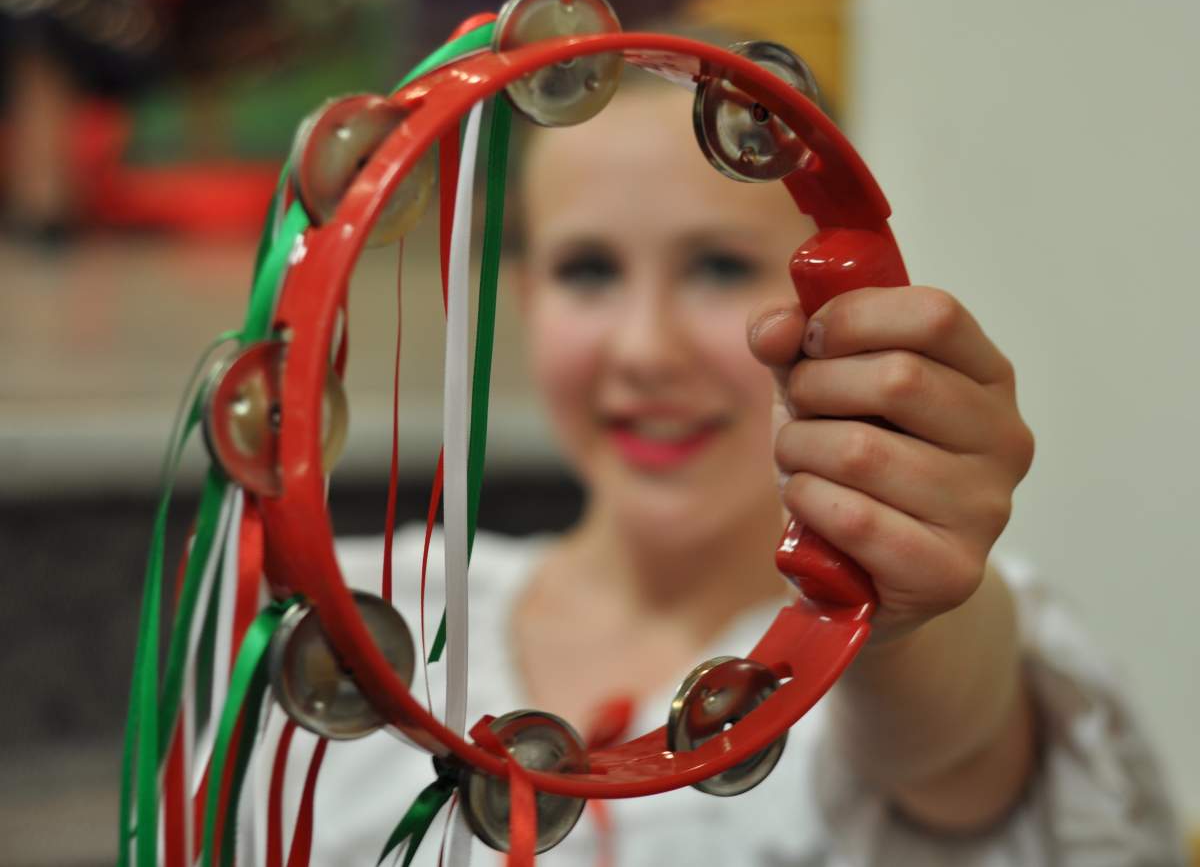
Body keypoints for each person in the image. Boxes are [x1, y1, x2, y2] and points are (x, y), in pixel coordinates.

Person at [263, 66, 1186, 865]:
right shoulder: (367, 627)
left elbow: (954, 744)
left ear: (838, 295)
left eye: (715, 266)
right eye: (588, 270)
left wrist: (891, 610)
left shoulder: (913, 662)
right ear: (525, 293)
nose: (646, 350)